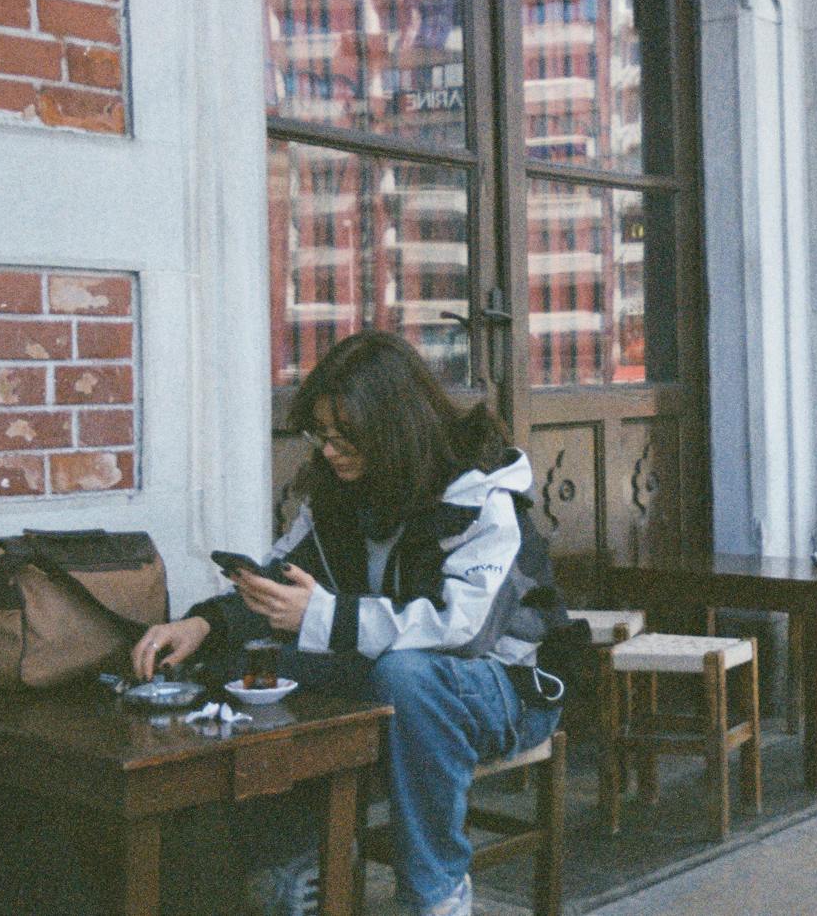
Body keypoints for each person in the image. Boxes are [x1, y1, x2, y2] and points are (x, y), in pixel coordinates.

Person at [131, 331, 572, 916]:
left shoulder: (480, 493)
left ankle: (437, 893)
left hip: (505, 686)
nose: (330, 452)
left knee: (409, 675)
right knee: (248, 670)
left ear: (392, 429)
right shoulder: (341, 491)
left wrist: (327, 618)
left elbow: (465, 630)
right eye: (321, 436)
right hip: (391, 671)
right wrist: (204, 625)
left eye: (344, 438)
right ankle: (292, 859)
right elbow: (280, 576)